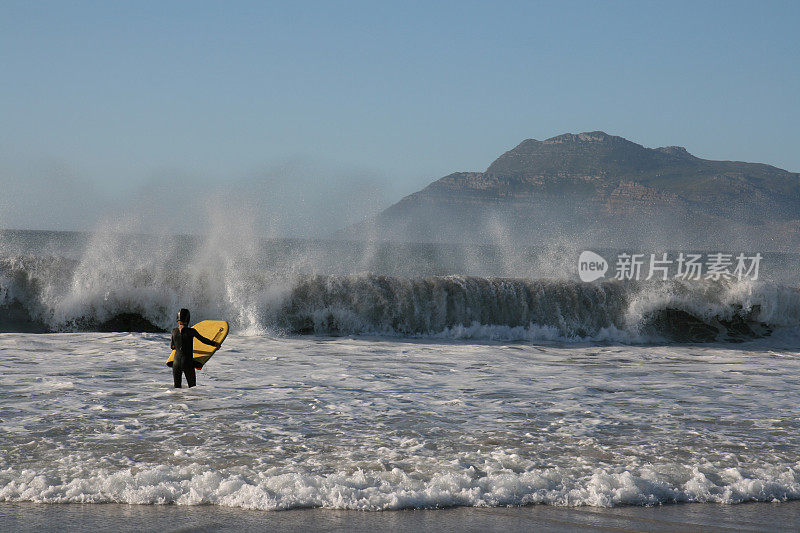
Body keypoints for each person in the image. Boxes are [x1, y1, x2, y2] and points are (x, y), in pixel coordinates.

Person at [168, 308, 221, 388]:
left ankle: (176, 400)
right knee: (192, 388)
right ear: (188, 319)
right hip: (187, 362)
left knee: (177, 388)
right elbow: (203, 340)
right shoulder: (191, 331)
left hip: (176, 363)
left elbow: (172, 347)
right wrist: (214, 344)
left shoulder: (174, 331)